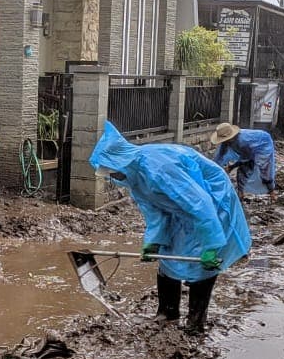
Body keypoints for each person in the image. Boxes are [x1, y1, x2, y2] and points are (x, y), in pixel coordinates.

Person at [90, 122, 252, 332]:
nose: (113, 178)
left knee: (201, 263)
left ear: (122, 163)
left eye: (113, 173)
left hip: (212, 200)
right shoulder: (136, 178)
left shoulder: (157, 168)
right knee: (168, 256)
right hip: (183, 207)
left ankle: (195, 324)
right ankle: (167, 314)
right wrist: (153, 243)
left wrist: (211, 245)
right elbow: (155, 213)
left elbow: (199, 205)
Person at [210, 122, 277, 202]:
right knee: (241, 171)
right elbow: (220, 156)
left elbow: (246, 157)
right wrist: (212, 168)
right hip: (250, 149)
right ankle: (240, 194)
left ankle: (272, 193)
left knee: (265, 170)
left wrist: (231, 167)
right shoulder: (226, 143)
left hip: (264, 144)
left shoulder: (242, 140)